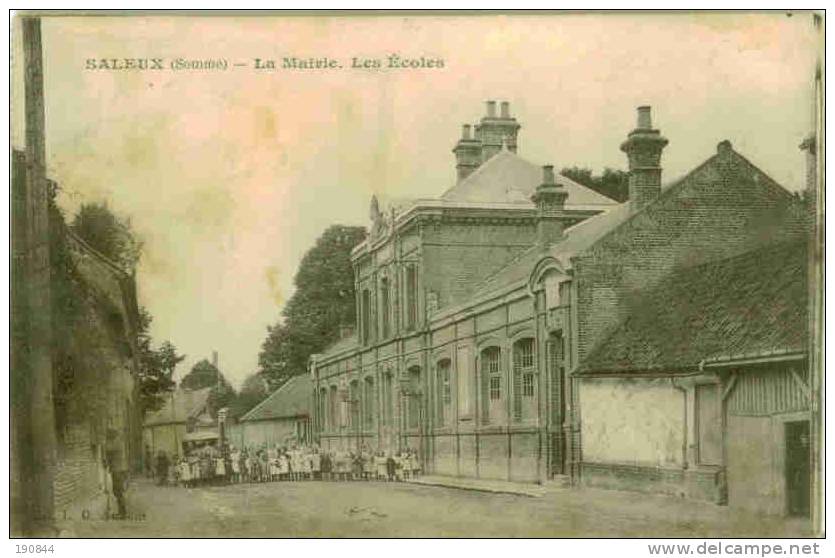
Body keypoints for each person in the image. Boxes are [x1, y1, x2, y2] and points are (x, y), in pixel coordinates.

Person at [106, 428, 129, 519]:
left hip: (118, 470)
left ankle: (123, 513)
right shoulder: (119, 441)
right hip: (119, 470)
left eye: (109, 436)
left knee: (118, 492)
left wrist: (104, 443)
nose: (109, 438)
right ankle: (122, 512)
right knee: (118, 492)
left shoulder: (117, 442)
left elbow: (109, 449)